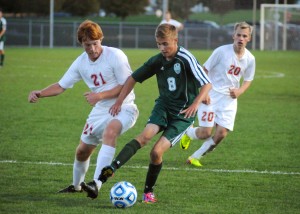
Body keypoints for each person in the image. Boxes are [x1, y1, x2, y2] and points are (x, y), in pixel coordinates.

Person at [81, 23, 211, 203]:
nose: (162, 48)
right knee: (144, 136)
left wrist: (196, 103)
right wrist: (119, 102)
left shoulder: (185, 57)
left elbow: (207, 83)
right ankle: (104, 176)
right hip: (164, 106)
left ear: (175, 40)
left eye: (165, 44)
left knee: (156, 153)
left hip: (183, 115)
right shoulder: (157, 60)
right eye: (158, 44)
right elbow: (132, 79)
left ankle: (148, 192)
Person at [28, 20, 138, 193]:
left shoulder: (115, 55)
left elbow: (127, 84)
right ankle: (77, 186)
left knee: (110, 132)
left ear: (101, 39)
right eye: (88, 45)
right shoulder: (80, 63)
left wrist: (99, 95)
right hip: (100, 110)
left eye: (95, 43)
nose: (92, 49)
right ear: (81, 43)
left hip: (124, 106)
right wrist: (40, 93)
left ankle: (97, 183)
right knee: (82, 151)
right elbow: (61, 85)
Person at [179, 21, 256, 167]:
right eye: (238, 35)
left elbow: (248, 79)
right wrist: (204, 92)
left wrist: (240, 91)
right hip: (211, 97)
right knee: (206, 133)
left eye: (244, 36)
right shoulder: (221, 51)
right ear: (233, 36)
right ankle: (188, 133)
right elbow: (204, 70)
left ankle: (195, 157)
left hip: (229, 101)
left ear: (249, 39)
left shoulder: (250, 59)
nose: (241, 38)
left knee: (221, 134)